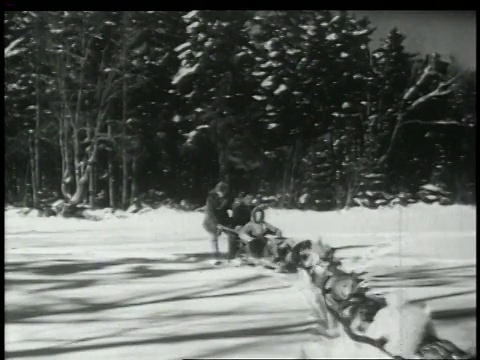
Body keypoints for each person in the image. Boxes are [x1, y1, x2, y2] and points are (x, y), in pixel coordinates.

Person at [202, 181, 232, 264]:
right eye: (220, 192)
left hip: (223, 219)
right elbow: (210, 213)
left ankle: (232, 254)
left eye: (223, 192)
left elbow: (229, 207)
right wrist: (217, 224)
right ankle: (215, 256)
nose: (221, 194)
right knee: (214, 237)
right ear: (216, 191)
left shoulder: (227, 197)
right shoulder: (210, 199)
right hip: (211, 221)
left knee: (232, 234)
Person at [226, 193, 257, 261]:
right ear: (243, 199)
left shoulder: (254, 208)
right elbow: (235, 221)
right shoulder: (238, 208)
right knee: (233, 236)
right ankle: (232, 255)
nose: (250, 200)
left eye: (251, 199)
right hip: (240, 227)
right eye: (248, 199)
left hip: (251, 228)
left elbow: (258, 219)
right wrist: (237, 226)